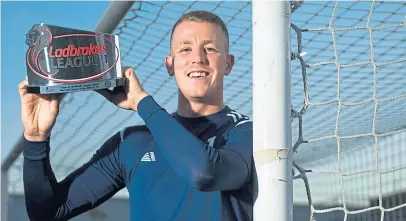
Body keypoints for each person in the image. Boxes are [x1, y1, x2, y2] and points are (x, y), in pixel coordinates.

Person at [20, 10, 253, 221]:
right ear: (170, 65)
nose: (198, 58)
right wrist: (36, 140)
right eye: (185, 49)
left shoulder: (248, 133)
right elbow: (47, 213)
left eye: (210, 48)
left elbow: (203, 173)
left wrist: (142, 102)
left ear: (229, 64)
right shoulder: (133, 143)